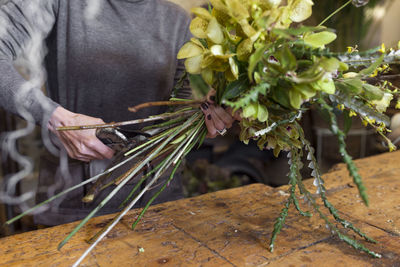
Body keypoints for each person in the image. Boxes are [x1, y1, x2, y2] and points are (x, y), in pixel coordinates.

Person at [0, 0, 233, 226]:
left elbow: (176, 108)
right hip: (76, 204)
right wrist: (58, 119)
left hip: (159, 200)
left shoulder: (176, 19)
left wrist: (205, 115)